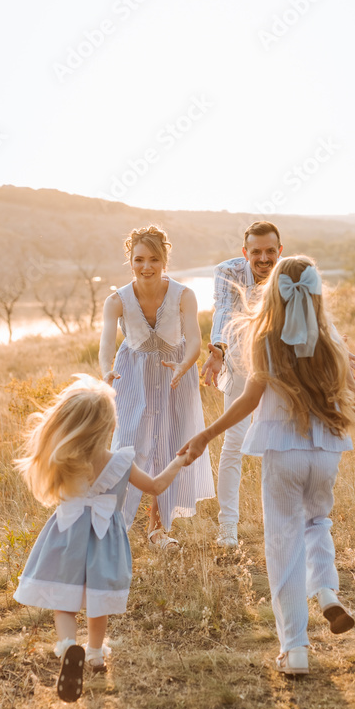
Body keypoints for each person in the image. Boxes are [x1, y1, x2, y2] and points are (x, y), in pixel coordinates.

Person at [180, 256, 355, 675]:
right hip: (326, 453)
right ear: (317, 293)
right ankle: (328, 593)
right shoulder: (331, 337)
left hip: (283, 453)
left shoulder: (266, 338)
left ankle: (294, 648)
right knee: (318, 523)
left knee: (283, 545)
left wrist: (206, 434)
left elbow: (247, 402)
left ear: (273, 293)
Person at [13, 375, 188, 702]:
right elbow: (155, 487)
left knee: (63, 603)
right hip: (105, 539)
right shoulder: (121, 461)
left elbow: (87, 417)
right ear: (109, 427)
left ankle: (68, 649)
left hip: (66, 536)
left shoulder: (62, 459)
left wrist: (95, 396)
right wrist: (178, 462)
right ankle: (93, 653)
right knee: (97, 599)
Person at [98, 225, 215, 549]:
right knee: (128, 448)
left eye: (153, 259)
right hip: (131, 376)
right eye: (139, 260)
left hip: (175, 374)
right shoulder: (116, 300)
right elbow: (107, 344)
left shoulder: (184, 295)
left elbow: (194, 339)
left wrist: (183, 364)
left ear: (164, 259)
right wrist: (106, 372)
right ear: (130, 260)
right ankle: (112, 529)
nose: (146, 267)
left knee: (172, 445)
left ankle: (157, 530)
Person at [201, 221, 284, 547]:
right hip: (238, 359)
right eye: (256, 252)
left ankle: (280, 527)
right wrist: (218, 349)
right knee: (234, 443)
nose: (263, 259)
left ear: (280, 250)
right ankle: (228, 530)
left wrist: (335, 349)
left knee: (279, 445)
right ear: (244, 252)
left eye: (270, 251)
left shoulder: (289, 273)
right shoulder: (228, 271)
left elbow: (310, 315)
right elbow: (222, 309)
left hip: (279, 362)